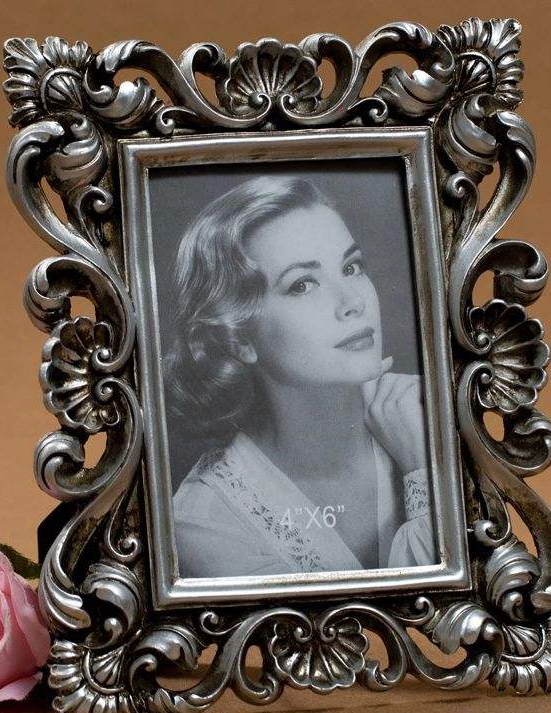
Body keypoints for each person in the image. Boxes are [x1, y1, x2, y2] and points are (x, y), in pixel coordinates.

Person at [164, 176, 434, 578]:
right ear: (239, 339)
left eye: (351, 267)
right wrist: (423, 475)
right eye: (302, 285)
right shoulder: (205, 521)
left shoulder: (432, 412)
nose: (352, 302)